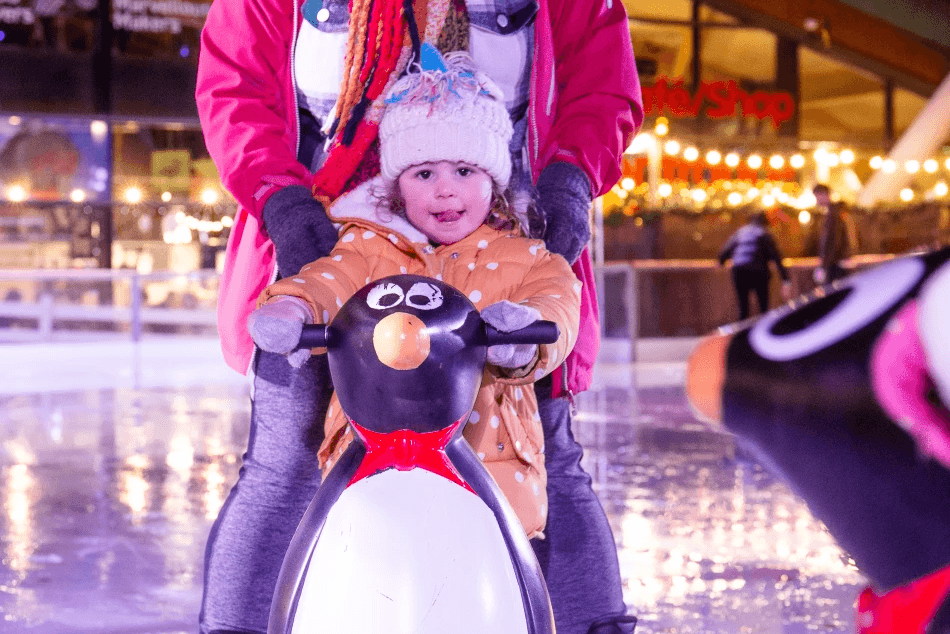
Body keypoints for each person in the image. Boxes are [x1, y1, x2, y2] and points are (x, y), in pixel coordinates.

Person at [194, 0, 643, 630]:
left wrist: (568, 183)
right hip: (329, 248)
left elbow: (603, 88)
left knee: (545, 461)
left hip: (498, 250)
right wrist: (284, 205)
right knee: (283, 464)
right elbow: (234, 89)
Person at [248, 53, 579, 541]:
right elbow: (328, 279)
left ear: (494, 178)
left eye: (465, 171)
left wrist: (527, 329)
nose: (446, 191)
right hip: (372, 475)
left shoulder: (524, 257)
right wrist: (295, 306)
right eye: (424, 174)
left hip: (492, 485)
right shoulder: (367, 248)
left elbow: (558, 299)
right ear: (398, 186)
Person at [718, 211, 793, 320]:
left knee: (743, 306)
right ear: (764, 223)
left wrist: (722, 263)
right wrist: (785, 280)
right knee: (763, 306)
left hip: (739, 270)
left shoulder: (740, 232)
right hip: (758, 271)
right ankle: (761, 332)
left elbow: (724, 253)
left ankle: (742, 334)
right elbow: (776, 257)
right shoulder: (764, 233)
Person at [812, 184, 852, 284]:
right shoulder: (833, 213)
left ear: (824, 195)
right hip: (835, 263)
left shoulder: (834, 214)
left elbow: (834, 242)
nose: (817, 201)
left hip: (835, 264)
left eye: (817, 196)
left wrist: (824, 265)